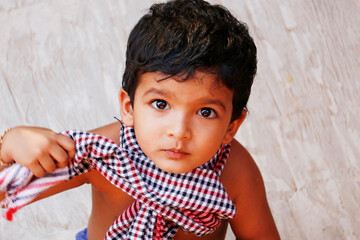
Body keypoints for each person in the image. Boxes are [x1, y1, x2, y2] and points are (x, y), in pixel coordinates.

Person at [0, 0, 280, 239]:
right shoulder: (102, 154)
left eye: (205, 112)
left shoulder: (235, 174)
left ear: (232, 125)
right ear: (129, 107)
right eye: (160, 104)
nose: (179, 131)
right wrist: (9, 146)